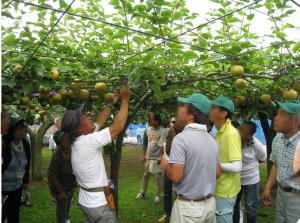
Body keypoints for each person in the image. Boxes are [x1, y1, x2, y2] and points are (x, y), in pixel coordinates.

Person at [61, 86, 131, 223]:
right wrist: (125, 100)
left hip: (87, 199)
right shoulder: (88, 141)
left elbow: (99, 122)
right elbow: (118, 126)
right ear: (79, 128)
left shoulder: (78, 140)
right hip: (99, 202)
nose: (88, 116)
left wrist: (110, 104)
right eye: (83, 116)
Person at [160, 93, 221, 223]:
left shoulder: (181, 139)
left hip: (189, 209)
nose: (180, 108)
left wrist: (165, 165)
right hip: (210, 206)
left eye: (184, 106)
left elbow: (176, 176)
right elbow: (217, 172)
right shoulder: (212, 140)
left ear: (191, 114)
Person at [261, 100, 300, 223]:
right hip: (281, 193)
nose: (275, 118)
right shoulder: (277, 139)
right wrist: (268, 187)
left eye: (281, 115)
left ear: (294, 121)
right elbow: (276, 164)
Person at [209, 96, 242, 223]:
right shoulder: (218, 131)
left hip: (225, 191)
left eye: (213, 108)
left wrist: (214, 164)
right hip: (219, 187)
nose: (209, 110)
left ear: (223, 113)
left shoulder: (231, 133)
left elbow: (237, 167)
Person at [233, 121, 267, 223]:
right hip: (236, 179)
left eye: (243, 131)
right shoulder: (233, 139)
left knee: (250, 207)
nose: (239, 132)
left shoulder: (256, 144)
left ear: (249, 135)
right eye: (240, 128)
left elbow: (263, 157)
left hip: (251, 179)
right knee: (235, 205)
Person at [2, 116, 31, 223]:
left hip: (17, 187)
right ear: (11, 130)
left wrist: (25, 180)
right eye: (18, 128)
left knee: (14, 214)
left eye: (23, 127)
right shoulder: (4, 145)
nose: (22, 130)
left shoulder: (25, 144)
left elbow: (27, 164)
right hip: (3, 188)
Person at [158, 118, 185, 223]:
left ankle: (178, 213)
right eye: (172, 122)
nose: (173, 124)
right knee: (166, 191)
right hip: (168, 165)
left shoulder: (183, 135)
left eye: (175, 122)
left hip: (179, 166)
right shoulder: (168, 132)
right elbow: (163, 147)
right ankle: (167, 214)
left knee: (179, 191)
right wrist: (161, 157)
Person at [135, 113, 166, 203]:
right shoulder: (147, 130)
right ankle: (142, 192)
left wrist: (161, 157)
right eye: (150, 120)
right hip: (149, 157)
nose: (151, 121)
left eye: (153, 120)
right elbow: (145, 143)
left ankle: (158, 195)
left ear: (157, 120)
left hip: (158, 158)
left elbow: (164, 145)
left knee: (158, 177)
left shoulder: (163, 131)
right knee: (145, 175)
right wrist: (144, 155)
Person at [48, 130, 77, 223]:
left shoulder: (73, 149)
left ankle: (66, 219)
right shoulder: (57, 156)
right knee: (62, 209)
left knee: (67, 206)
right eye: (63, 140)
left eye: (67, 138)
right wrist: (61, 192)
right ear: (59, 144)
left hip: (70, 185)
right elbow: (53, 175)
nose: (67, 141)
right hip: (60, 187)